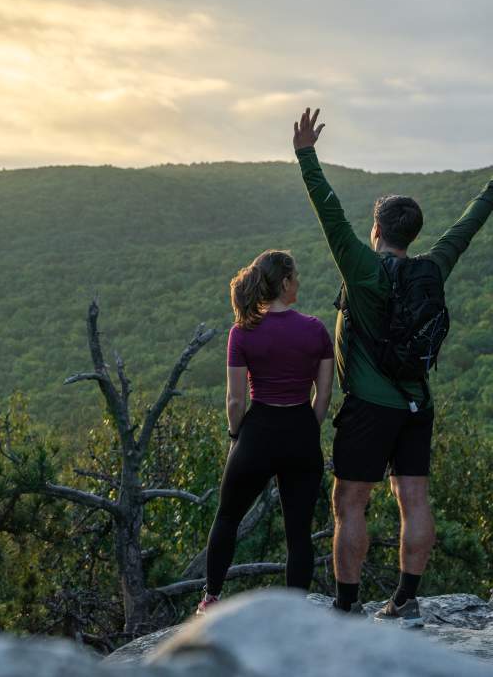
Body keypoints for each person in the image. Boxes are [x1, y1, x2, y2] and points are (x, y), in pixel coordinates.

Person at [293, 106, 493, 626]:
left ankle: (346, 607)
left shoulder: (361, 270)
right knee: (414, 498)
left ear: (377, 228)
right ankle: (406, 602)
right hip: (416, 402)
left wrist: (306, 154)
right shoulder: (433, 267)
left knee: (350, 502)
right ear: (415, 233)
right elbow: (469, 223)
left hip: (369, 407)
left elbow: (329, 213)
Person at [196, 249, 334, 615]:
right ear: (285, 282)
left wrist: (235, 438)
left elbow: (235, 400)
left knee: (227, 517)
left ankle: (211, 598)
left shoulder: (242, 332)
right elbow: (324, 395)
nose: (299, 282)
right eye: (296, 277)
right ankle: (296, 613)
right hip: (301, 431)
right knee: (299, 534)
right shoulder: (316, 329)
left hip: (257, 433)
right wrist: (307, 427)